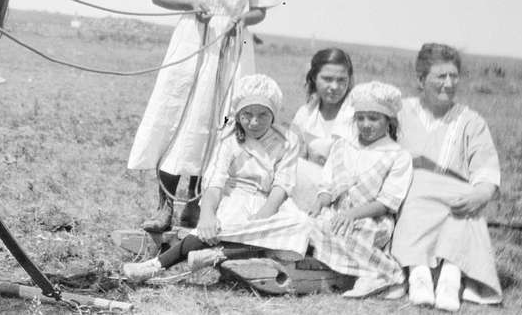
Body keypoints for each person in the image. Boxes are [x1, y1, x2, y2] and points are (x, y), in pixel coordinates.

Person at [128, 0, 279, 233]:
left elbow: (261, 8)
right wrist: (191, 3)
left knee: (218, 122)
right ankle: (164, 206)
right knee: (179, 115)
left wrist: (244, 17)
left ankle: (194, 206)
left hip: (234, 45)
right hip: (194, 40)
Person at [123, 75, 309, 284]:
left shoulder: (287, 140)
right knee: (216, 227)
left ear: (273, 114)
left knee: (300, 223)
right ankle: (153, 266)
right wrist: (208, 214)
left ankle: (218, 254)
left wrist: (263, 216)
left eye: (263, 115)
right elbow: (215, 181)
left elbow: (282, 185)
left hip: (270, 201)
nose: (254, 122)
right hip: (235, 194)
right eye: (247, 114)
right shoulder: (228, 137)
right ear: (238, 114)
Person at [391, 43, 502, 311]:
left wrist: (482, 193)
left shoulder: (471, 121)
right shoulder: (399, 111)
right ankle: (419, 274)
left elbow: (485, 168)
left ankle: (450, 279)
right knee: (415, 193)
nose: (449, 83)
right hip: (411, 189)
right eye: (441, 76)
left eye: (454, 76)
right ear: (421, 79)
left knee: (467, 204)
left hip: (454, 193)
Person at [307, 80, 412, 299]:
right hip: (338, 213)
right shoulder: (344, 146)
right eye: (360, 118)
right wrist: (321, 200)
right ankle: (331, 271)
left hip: (370, 219)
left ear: (389, 121)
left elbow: (386, 203)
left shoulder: (397, 155)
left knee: (347, 233)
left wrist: (352, 214)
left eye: (373, 118)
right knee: (308, 224)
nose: (365, 124)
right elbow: (328, 184)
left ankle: (383, 274)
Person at [289, 48, 357, 211]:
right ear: (313, 77)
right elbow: (294, 158)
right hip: (308, 189)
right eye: (327, 79)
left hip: (346, 191)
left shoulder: (357, 116)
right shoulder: (305, 114)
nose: (334, 86)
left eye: (342, 80)